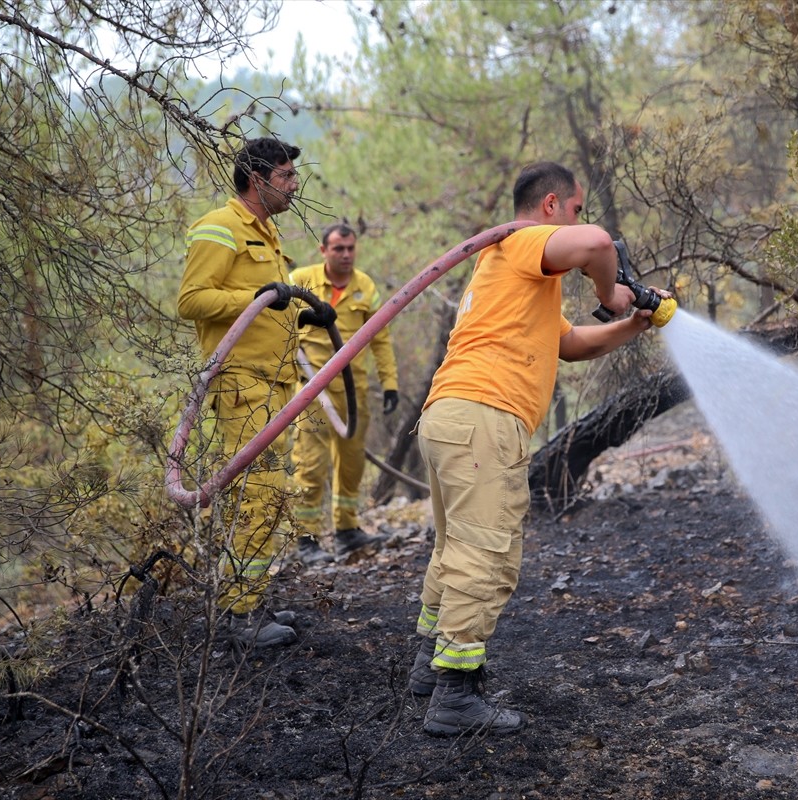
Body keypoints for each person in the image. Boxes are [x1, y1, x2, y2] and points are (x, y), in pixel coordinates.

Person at [406, 161, 668, 736]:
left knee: (457, 548)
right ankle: (454, 695)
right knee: (488, 554)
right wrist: (610, 289)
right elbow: (598, 243)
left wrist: (633, 324)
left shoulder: (509, 267)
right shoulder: (524, 242)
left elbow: (567, 345)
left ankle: (429, 665)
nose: (580, 219)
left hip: (452, 418)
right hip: (483, 419)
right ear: (551, 206)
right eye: (574, 207)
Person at [177, 137, 332, 650]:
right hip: (242, 384)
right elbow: (193, 299)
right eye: (286, 175)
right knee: (256, 497)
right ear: (258, 179)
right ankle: (239, 615)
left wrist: (302, 313)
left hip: (273, 381)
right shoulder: (220, 227)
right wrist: (264, 296)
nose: (294, 184)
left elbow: (268, 305)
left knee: (266, 495)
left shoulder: (266, 230)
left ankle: (249, 595)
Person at [289, 223, 400, 562]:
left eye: (351, 248)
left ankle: (346, 531)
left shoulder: (365, 286)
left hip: (354, 392)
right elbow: (277, 326)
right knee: (310, 464)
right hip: (312, 391)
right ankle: (306, 539)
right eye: (339, 248)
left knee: (351, 462)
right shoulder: (300, 281)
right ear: (323, 251)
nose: (346, 255)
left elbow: (380, 339)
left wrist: (391, 382)